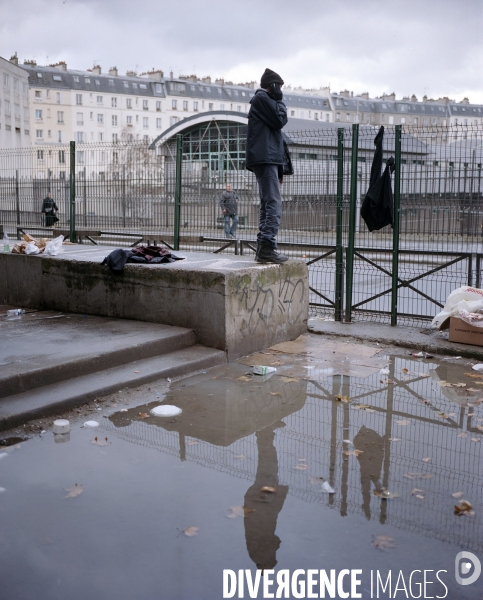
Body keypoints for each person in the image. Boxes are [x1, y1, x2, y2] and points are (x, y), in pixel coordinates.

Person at [246, 68, 288, 264]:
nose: (280, 90)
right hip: (265, 159)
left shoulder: (263, 101)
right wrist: (279, 101)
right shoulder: (262, 98)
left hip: (268, 159)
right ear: (272, 85)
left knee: (267, 203)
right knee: (273, 203)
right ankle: (267, 247)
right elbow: (280, 121)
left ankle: (264, 247)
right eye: (278, 86)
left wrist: (280, 168)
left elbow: (274, 135)